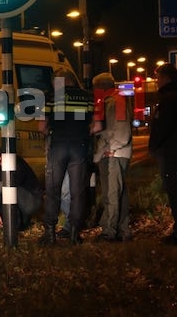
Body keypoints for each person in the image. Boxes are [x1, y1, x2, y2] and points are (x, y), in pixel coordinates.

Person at [39, 68, 94, 245]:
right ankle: (74, 233)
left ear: (60, 82)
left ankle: (50, 233)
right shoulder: (87, 96)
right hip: (79, 147)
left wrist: (51, 132)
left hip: (58, 146)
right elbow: (96, 125)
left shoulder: (51, 97)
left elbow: (41, 126)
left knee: (53, 190)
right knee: (78, 192)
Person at [148, 63, 177, 245]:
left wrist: (154, 145)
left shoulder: (170, 99)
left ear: (166, 78)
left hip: (172, 154)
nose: (156, 82)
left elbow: (164, 127)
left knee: (176, 192)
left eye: (158, 77)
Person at [91, 72, 133, 242]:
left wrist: (112, 149)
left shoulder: (116, 101)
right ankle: (123, 230)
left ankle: (109, 231)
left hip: (115, 153)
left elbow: (122, 131)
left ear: (101, 88)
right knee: (119, 193)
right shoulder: (115, 100)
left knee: (112, 193)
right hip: (116, 151)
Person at [0, 155, 43, 231]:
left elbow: (12, 184)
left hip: (31, 200)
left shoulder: (16, 163)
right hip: (16, 204)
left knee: (4, 186)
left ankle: (15, 224)